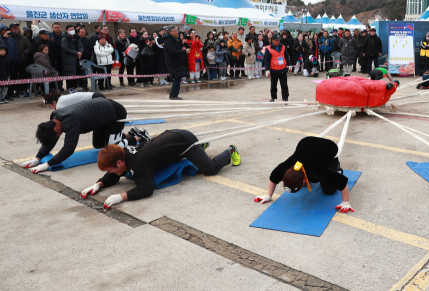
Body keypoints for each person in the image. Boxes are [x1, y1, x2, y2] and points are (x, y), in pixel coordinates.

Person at [84, 130, 241, 208]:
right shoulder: (123, 154)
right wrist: (98, 185)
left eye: (110, 169)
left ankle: (230, 151)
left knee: (209, 169)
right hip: (171, 139)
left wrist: (120, 197)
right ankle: (201, 147)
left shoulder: (136, 163)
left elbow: (146, 189)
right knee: (176, 158)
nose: (110, 173)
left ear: (119, 163)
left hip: (184, 142)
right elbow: (115, 174)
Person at [23, 98, 130, 173]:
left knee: (112, 149)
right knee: (99, 145)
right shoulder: (55, 117)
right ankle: (125, 135)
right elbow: (51, 140)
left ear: (56, 129)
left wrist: (47, 164)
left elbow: (69, 148)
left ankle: (136, 137)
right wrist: (38, 158)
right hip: (101, 117)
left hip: (116, 113)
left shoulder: (70, 121)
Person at [254, 137, 354, 214]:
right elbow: (273, 177)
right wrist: (268, 195)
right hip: (306, 142)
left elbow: (342, 182)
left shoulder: (318, 171)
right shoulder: (286, 167)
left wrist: (346, 203)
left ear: (304, 181)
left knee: (328, 191)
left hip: (328, 147)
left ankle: (336, 166)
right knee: (310, 177)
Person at [164, 25, 189, 100]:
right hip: (173, 62)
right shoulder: (168, 40)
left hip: (178, 61)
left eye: (177, 30)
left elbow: (179, 47)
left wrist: (183, 47)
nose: (176, 32)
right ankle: (173, 95)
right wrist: (184, 51)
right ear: (170, 32)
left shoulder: (176, 39)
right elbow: (173, 51)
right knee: (176, 78)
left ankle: (174, 94)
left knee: (178, 78)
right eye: (174, 31)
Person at [264, 32, 290, 102]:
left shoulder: (283, 47)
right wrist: (267, 69)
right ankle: (273, 98)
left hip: (283, 69)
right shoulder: (268, 49)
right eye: (276, 40)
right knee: (273, 86)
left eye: (279, 40)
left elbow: (286, 56)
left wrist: (289, 64)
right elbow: (267, 60)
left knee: (284, 85)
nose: (278, 41)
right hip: (274, 70)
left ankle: (285, 97)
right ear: (272, 40)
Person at [8, 23, 31, 97]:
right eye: (14, 28)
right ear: (10, 29)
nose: (16, 29)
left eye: (17, 28)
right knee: (13, 76)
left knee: (23, 75)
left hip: (22, 59)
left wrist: (24, 53)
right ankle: (14, 91)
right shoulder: (7, 38)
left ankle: (24, 90)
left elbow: (29, 47)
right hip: (11, 60)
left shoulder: (23, 38)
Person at [59, 24, 83, 93]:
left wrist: (80, 52)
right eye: (70, 30)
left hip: (76, 59)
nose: (72, 31)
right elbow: (65, 48)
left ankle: (73, 88)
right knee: (69, 75)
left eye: (73, 29)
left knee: (74, 74)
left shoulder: (76, 37)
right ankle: (69, 88)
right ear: (66, 30)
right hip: (68, 59)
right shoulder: (65, 38)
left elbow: (81, 46)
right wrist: (76, 53)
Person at [0, 24, 19, 99]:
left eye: (6, 30)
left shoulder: (12, 39)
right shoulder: (1, 39)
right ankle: (4, 95)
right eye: (3, 30)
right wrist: (3, 38)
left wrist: (16, 58)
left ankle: (10, 93)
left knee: (12, 77)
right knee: (3, 79)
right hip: (3, 61)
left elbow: (15, 49)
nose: (5, 32)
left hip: (12, 61)